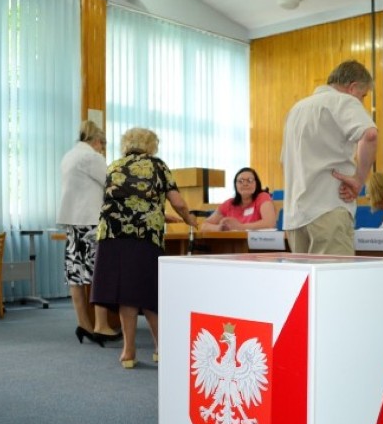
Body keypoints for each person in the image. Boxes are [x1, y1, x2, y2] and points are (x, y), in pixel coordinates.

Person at [91, 127, 200, 368]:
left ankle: (128, 351)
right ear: (151, 145)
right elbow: (178, 202)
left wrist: (160, 215)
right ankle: (161, 347)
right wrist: (189, 219)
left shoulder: (114, 166)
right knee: (149, 290)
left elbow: (124, 202)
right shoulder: (157, 165)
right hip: (143, 236)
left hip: (111, 234)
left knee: (126, 292)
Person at [281, 59, 378, 255]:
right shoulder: (344, 100)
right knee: (336, 284)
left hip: (295, 217)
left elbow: (283, 161)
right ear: (352, 88)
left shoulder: (296, 109)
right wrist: (359, 179)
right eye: (363, 95)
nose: (361, 102)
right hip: (328, 209)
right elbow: (370, 134)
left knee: (309, 283)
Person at [56, 120, 122, 348]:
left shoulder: (69, 156)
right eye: (103, 146)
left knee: (76, 274)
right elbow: (112, 185)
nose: (103, 150)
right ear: (97, 141)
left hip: (73, 222)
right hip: (92, 222)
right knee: (99, 273)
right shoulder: (92, 157)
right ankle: (101, 325)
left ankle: (84, 323)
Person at [201, 167, 277, 231]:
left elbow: (269, 223)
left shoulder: (262, 197)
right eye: (240, 181)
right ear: (235, 185)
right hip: (232, 245)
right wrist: (219, 228)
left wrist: (241, 227)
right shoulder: (229, 204)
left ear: (256, 184)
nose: (245, 184)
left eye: (249, 180)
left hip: (257, 245)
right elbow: (204, 226)